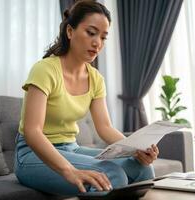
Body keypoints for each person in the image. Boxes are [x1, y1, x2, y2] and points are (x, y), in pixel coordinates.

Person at [14, 0, 159, 196]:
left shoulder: (95, 78)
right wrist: (70, 171)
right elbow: (32, 132)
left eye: (103, 37)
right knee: (111, 174)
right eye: (91, 33)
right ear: (70, 32)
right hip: (31, 155)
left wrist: (137, 149)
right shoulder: (45, 70)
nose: (97, 43)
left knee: (142, 168)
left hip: (71, 148)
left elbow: (105, 128)